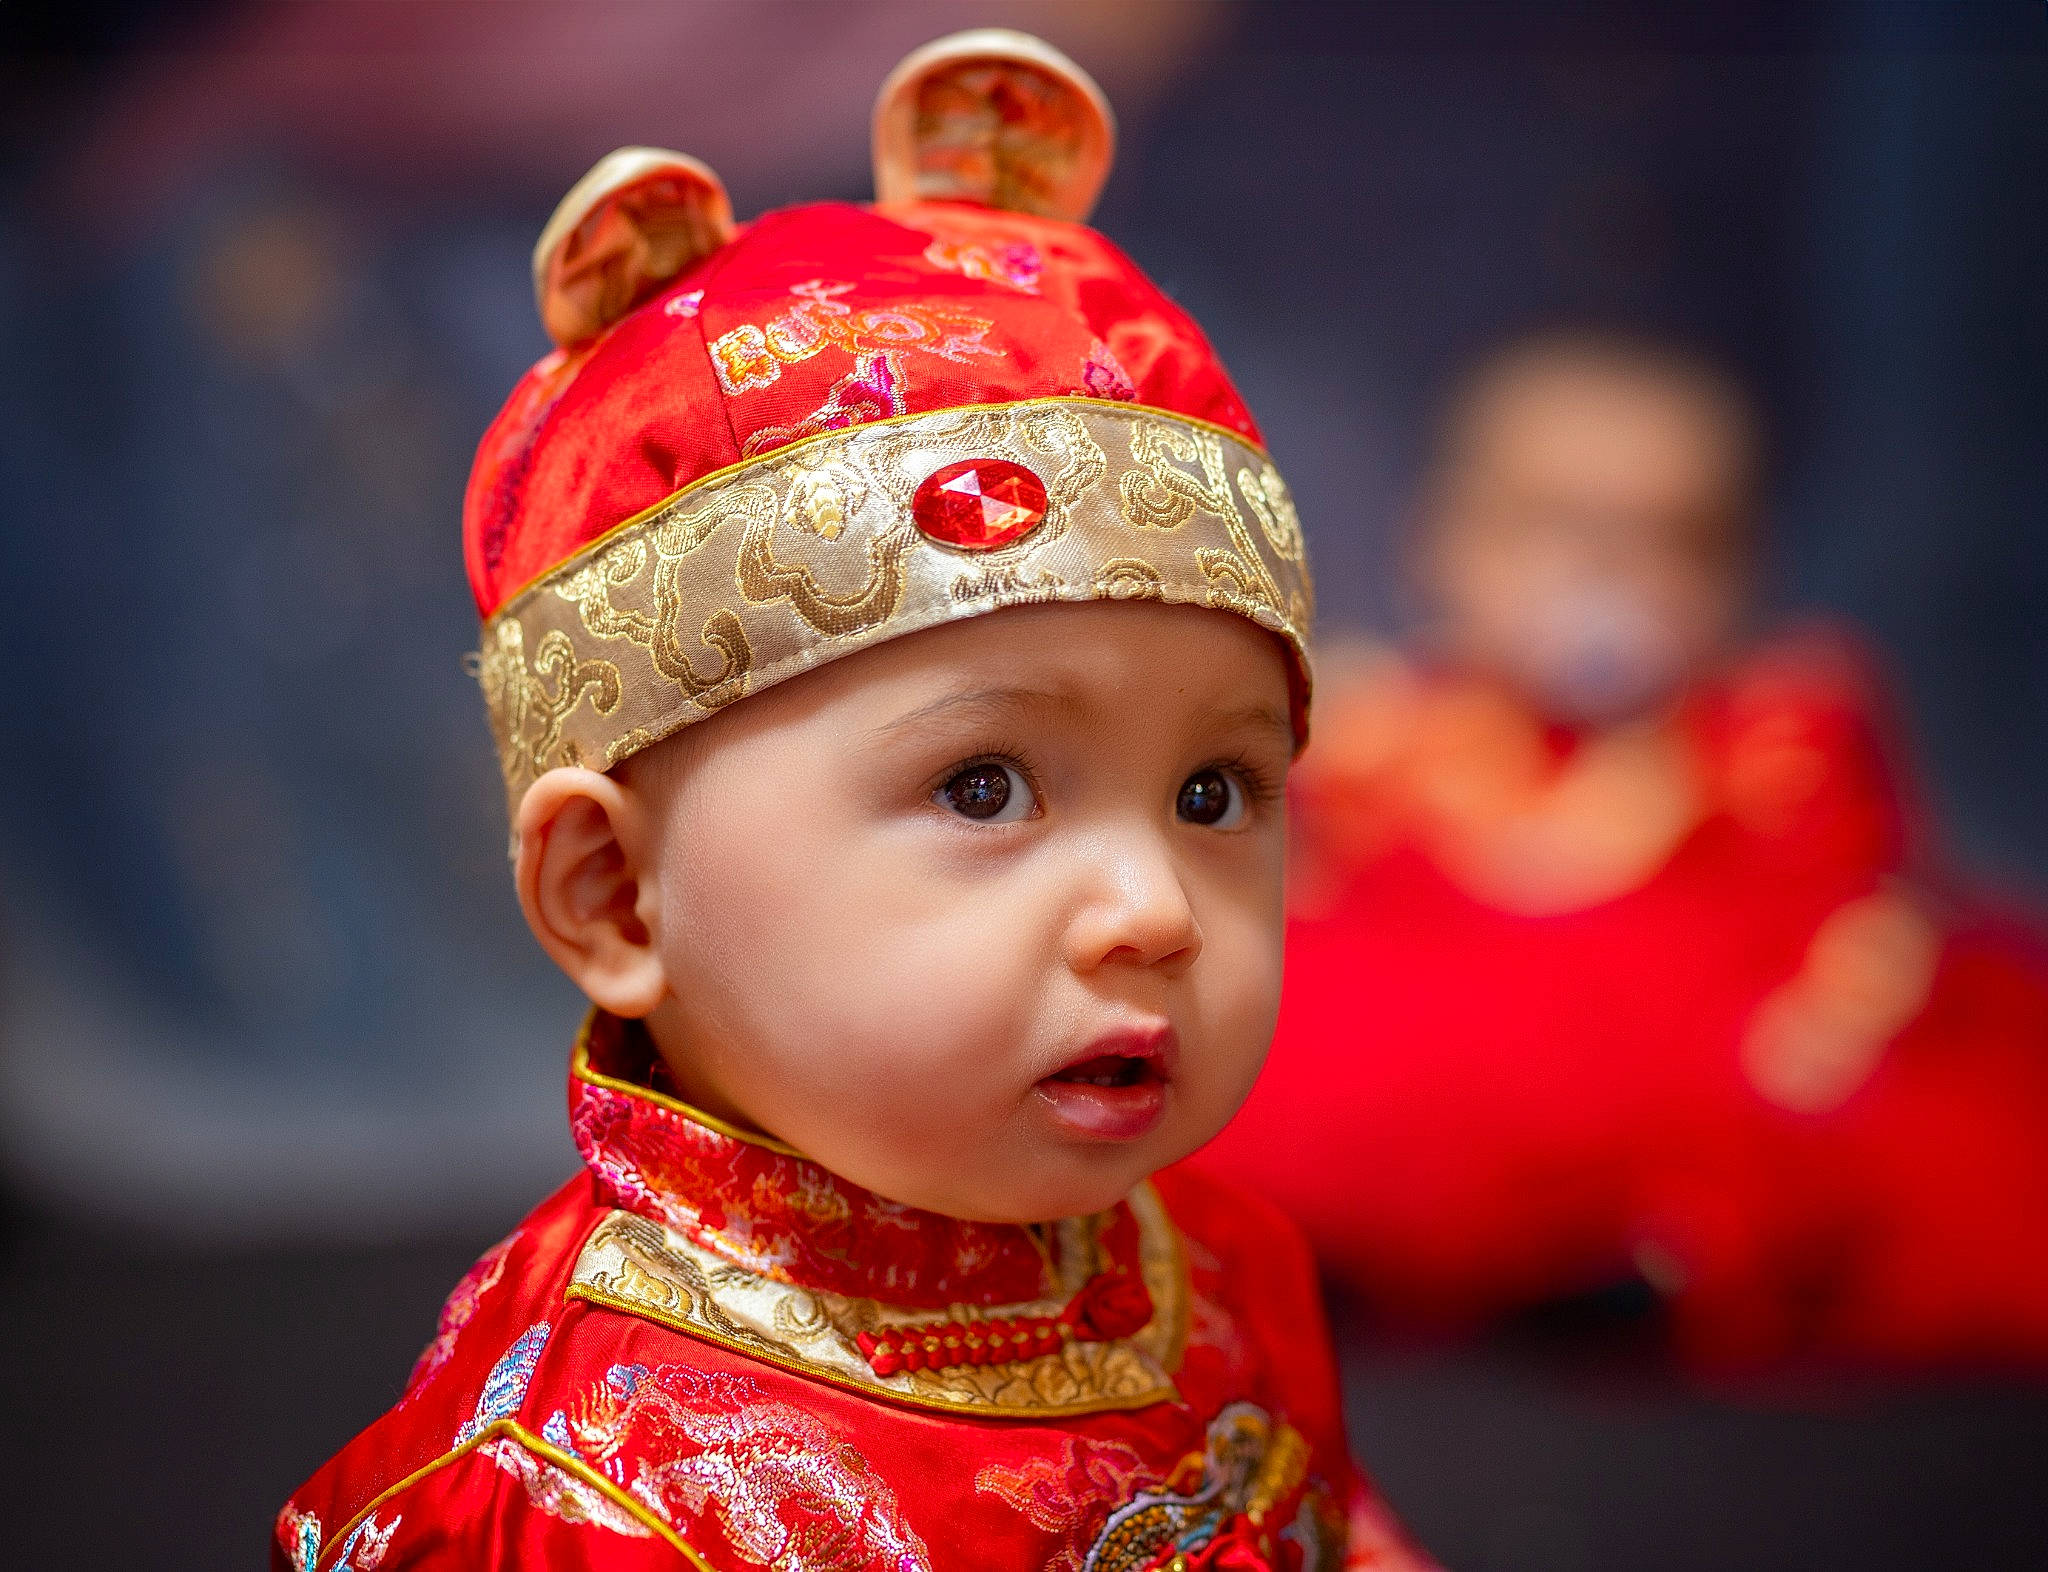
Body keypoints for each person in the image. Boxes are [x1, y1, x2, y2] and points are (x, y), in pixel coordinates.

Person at [275, 31, 1433, 1572]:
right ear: (616, 896)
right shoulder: (596, 1490)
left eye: (1214, 791)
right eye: (983, 785)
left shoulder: (1214, 1268)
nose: (1155, 909)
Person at [1196, 326, 2048, 1370]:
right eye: (1547, 527)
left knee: (1907, 1122)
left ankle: (1662, 1259)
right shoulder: (1380, 728)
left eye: (1668, 539)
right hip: (1428, 1060)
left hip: (1686, 1067)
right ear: (1440, 541)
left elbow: (1853, 907)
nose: (1602, 571)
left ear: (1738, 571)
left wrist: (1830, 1007)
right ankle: (1331, 1241)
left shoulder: (1768, 737)